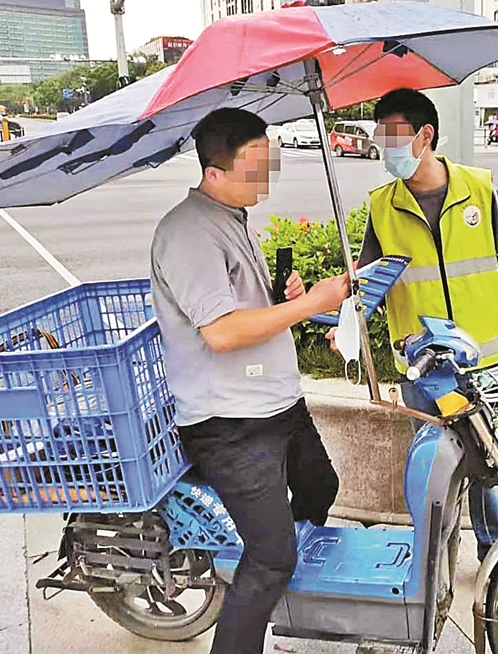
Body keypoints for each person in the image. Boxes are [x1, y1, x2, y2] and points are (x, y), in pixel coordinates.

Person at [329, 89, 498, 562]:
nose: (382, 147)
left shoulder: (479, 187)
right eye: (379, 136)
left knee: (491, 463)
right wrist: (344, 325)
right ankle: (438, 556)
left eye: (391, 136)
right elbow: (366, 277)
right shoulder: (382, 204)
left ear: (424, 136)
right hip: (421, 362)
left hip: (481, 356)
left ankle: (495, 554)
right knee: (435, 465)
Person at [150, 108, 349, 654]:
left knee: (318, 487)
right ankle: (250, 615)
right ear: (213, 172)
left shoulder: (232, 215)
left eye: (269, 166)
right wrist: (310, 304)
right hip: (230, 421)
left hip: (274, 403)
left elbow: (244, 309)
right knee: (271, 556)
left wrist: (283, 298)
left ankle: (273, 603)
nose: (265, 182)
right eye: (254, 170)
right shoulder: (188, 233)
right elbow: (220, 332)